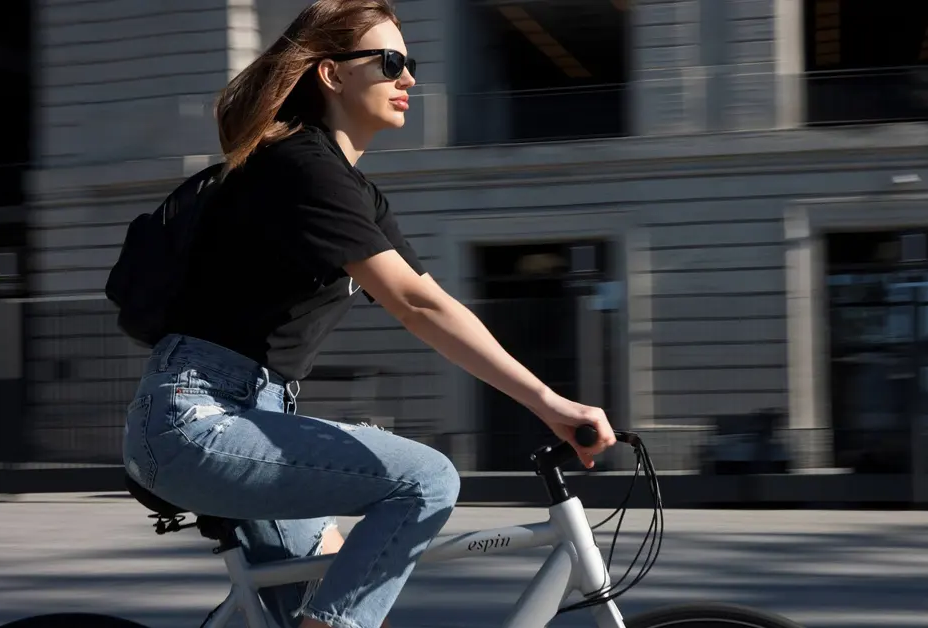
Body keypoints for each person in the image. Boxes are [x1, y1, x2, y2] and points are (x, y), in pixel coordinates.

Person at [119, 1, 617, 628]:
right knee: (428, 481)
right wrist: (553, 404)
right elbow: (416, 306)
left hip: (250, 416)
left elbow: (434, 300)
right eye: (390, 62)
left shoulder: (352, 190)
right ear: (332, 74)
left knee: (306, 592)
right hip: (201, 418)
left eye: (411, 64)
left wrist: (548, 403)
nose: (409, 78)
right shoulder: (299, 166)